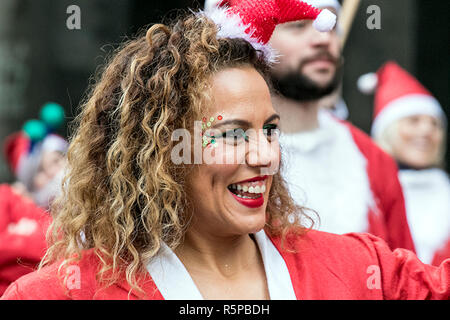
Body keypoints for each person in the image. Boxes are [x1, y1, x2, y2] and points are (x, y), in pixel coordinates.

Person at [1, 0, 448, 300]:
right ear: (163, 149)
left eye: (270, 130)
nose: (266, 156)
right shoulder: (63, 292)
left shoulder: (358, 270)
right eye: (232, 133)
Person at [258, 0, 415, 252]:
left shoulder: (373, 159)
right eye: (298, 26)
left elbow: (405, 280)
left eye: (330, 25)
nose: (323, 39)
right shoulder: (225, 156)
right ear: (253, 38)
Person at [361, 61, 450, 266]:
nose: (427, 131)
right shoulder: (364, 194)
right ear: (387, 131)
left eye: (435, 124)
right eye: (413, 120)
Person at [0, 103, 68, 295]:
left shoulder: (81, 209)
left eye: (59, 159)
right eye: (43, 169)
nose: (57, 171)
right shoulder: (7, 197)